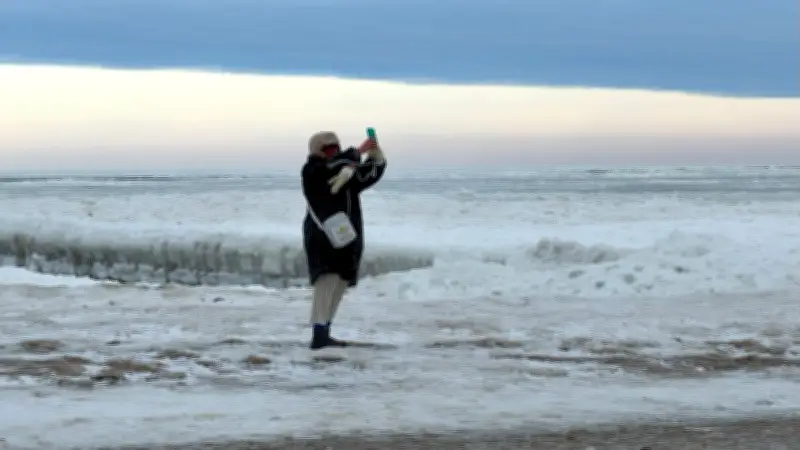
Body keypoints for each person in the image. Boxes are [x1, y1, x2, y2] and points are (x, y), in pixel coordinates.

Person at [301, 131, 387, 350]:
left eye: (336, 148)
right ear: (317, 151)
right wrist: (358, 151)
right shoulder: (312, 171)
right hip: (323, 236)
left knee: (340, 283)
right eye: (328, 149)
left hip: (347, 238)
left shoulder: (345, 171)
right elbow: (334, 167)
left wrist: (375, 156)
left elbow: (367, 175)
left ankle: (325, 331)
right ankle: (319, 334)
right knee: (326, 282)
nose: (334, 153)